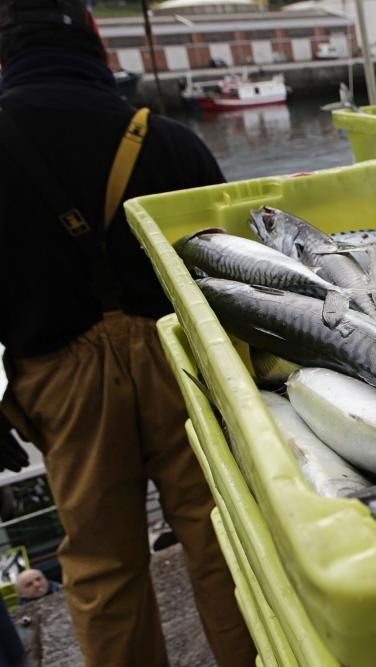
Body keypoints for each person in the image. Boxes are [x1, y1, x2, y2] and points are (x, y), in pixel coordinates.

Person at [0, 0, 256, 665]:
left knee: (102, 571)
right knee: (221, 542)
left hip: (59, 381)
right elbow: (230, 267)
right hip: (178, 363)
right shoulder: (169, 139)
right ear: (96, 49)